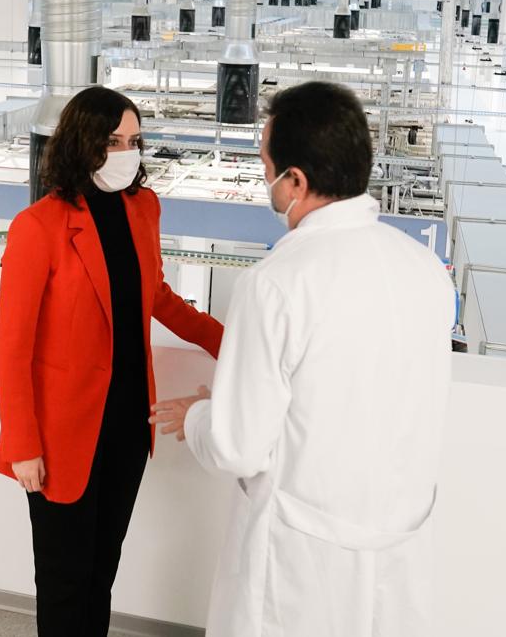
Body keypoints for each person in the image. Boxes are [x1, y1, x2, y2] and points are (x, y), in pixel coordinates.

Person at [151, 81, 454, 636]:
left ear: (296, 181)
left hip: (302, 555)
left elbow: (238, 448)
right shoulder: (423, 269)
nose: (265, 181)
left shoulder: (277, 284)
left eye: (266, 165)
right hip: (399, 540)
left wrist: (203, 414)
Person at [0, 86, 224, 636]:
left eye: (134, 141)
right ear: (84, 143)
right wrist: (23, 445)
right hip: (61, 434)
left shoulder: (143, 208)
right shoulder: (39, 227)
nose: (128, 152)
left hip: (126, 424)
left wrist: (228, 341)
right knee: (63, 578)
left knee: (102, 570)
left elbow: (157, 295)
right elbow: (12, 348)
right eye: (115, 141)